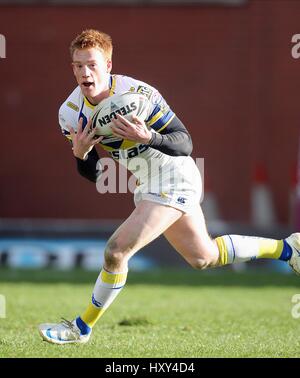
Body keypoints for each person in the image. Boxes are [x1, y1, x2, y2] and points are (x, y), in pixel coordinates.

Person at [38, 29, 300, 345]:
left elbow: (184, 142)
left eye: (92, 64)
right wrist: (81, 156)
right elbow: (93, 174)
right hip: (150, 183)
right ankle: (288, 249)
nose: (85, 73)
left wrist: (149, 137)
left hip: (176, 177)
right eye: (78, 66)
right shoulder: (69, 113)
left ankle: (81, 328)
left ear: (108, 64)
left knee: (116, 251)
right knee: (204, 256)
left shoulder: (139, 95)